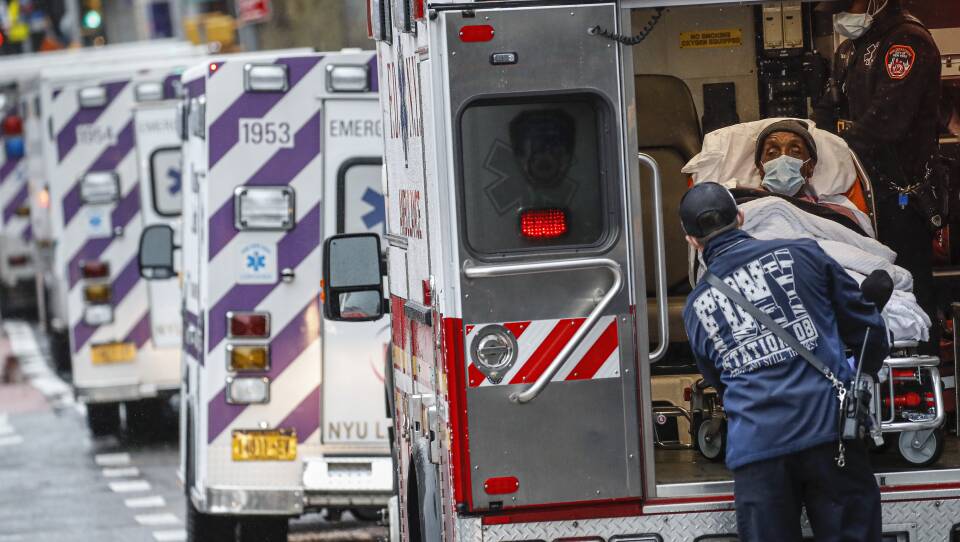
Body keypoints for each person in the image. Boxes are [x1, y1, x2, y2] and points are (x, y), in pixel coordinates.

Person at [680, 182, 891, 542]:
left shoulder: (695, 308)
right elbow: (867, 326)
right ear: (742, 217)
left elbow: (717, 380)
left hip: (758, 453)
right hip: (830, 435)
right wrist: (863, 373)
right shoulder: (804, 254)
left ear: (692, 241)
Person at [814, 0, 942, 346]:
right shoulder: (848, 49)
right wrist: (815, 147)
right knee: (863, 289)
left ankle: (923, 377)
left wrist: (834, 152)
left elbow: (886, 123)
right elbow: (827, 110)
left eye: (846, 4)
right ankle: (872, 373)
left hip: (902, 194)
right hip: (857, 194)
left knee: (909, 288)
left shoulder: (906, 41)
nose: (841, 14)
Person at [751, 119, 869, 233]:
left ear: (810, 167)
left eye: (795, 152)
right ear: (761, 169)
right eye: (772, 153)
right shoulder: (742, 208)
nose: (784, 159)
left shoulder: (837, 215)